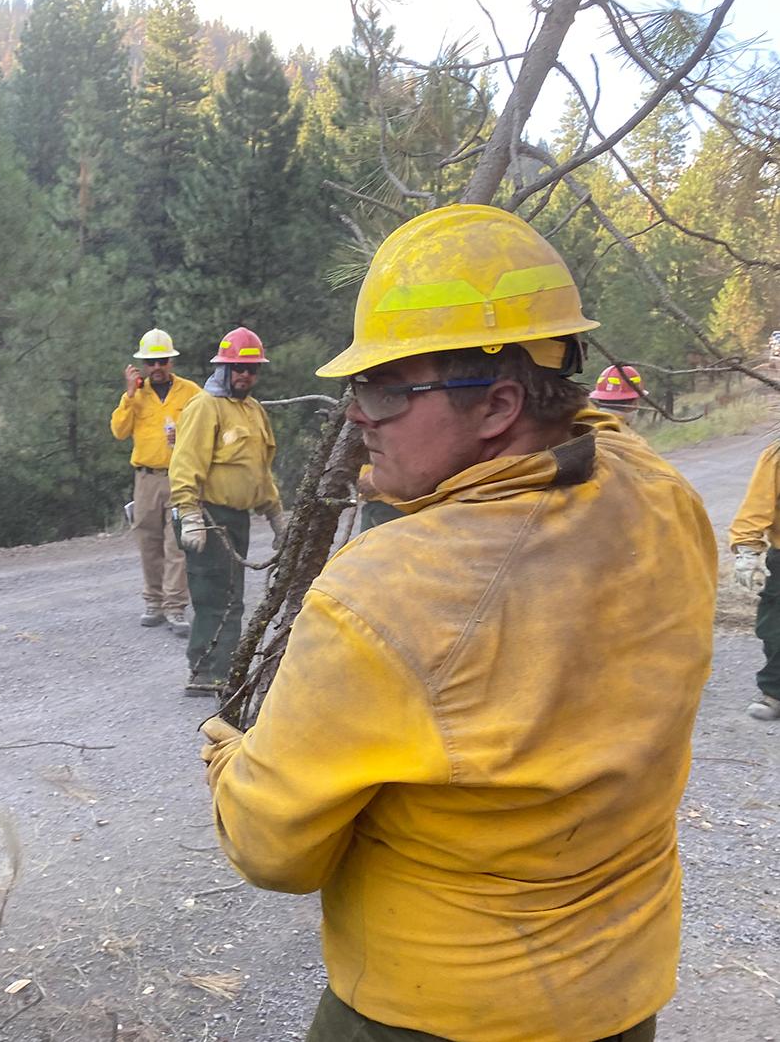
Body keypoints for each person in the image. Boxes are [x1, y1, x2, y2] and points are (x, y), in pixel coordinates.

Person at [201, 205, 717, 1042]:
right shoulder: (659, 493)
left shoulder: (386, 594)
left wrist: (229, 757)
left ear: (498, 404)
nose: (356, 413)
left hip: (437, 1012)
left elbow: (272, 850)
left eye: (385, 387)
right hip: (620, 998)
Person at [167, 326, 283, 696]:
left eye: (252, 370)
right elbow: (185, 463)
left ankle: (223, 670)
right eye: (239, 369)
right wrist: (190, 514)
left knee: (233, 598)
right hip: (207, 516)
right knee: (214, 596)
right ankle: (206, 673)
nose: (246, 376)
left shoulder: (252, 411)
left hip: (236, 518)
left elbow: (259, 470)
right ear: (223, 369)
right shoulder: (205, 406)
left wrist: (276, 515)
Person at [110, 328, 202, 634]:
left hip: (181, 477)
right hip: (146, 480)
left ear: (171, 361)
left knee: (177, 543)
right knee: (148, 542)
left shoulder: (191, 392)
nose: (158, 367)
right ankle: (154, 602)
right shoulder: (135, 395)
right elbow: (119, 431)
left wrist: (186, 436)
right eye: (152, 362)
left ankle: (175, 608)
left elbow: (208, 427)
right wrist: (129, 396)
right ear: (143, 365)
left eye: (163, 360)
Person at [728, 444, 780, 720]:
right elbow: (757, 506)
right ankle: (775, 694)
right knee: (775, 629)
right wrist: (747, 551)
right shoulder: (777, 455)